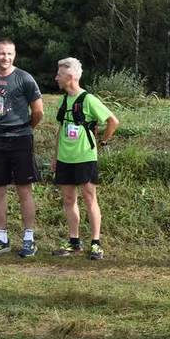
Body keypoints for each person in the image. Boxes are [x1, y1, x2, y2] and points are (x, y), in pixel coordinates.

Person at [0, 37, 44, 258]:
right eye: (1, 53)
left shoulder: (25, 78)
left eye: (10, 54)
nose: (6, 57)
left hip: (21, 139)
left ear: (15, 55)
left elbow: (39, 111)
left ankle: (29, 239)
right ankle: (1, 239)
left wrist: (23, 129)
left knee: (24, 190)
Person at [50, 58, 119, 260]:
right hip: (65, 158)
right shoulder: (64, 100)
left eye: (59, 74)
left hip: (85, 158)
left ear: (71, 76)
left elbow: (113, 121)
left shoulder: (88, 100)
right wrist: (55, 157)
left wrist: (102, 143)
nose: (56, 78)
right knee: (68, 199)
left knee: (90, 199)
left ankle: (96, 243)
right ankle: (74, 242)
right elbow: (60, 130)